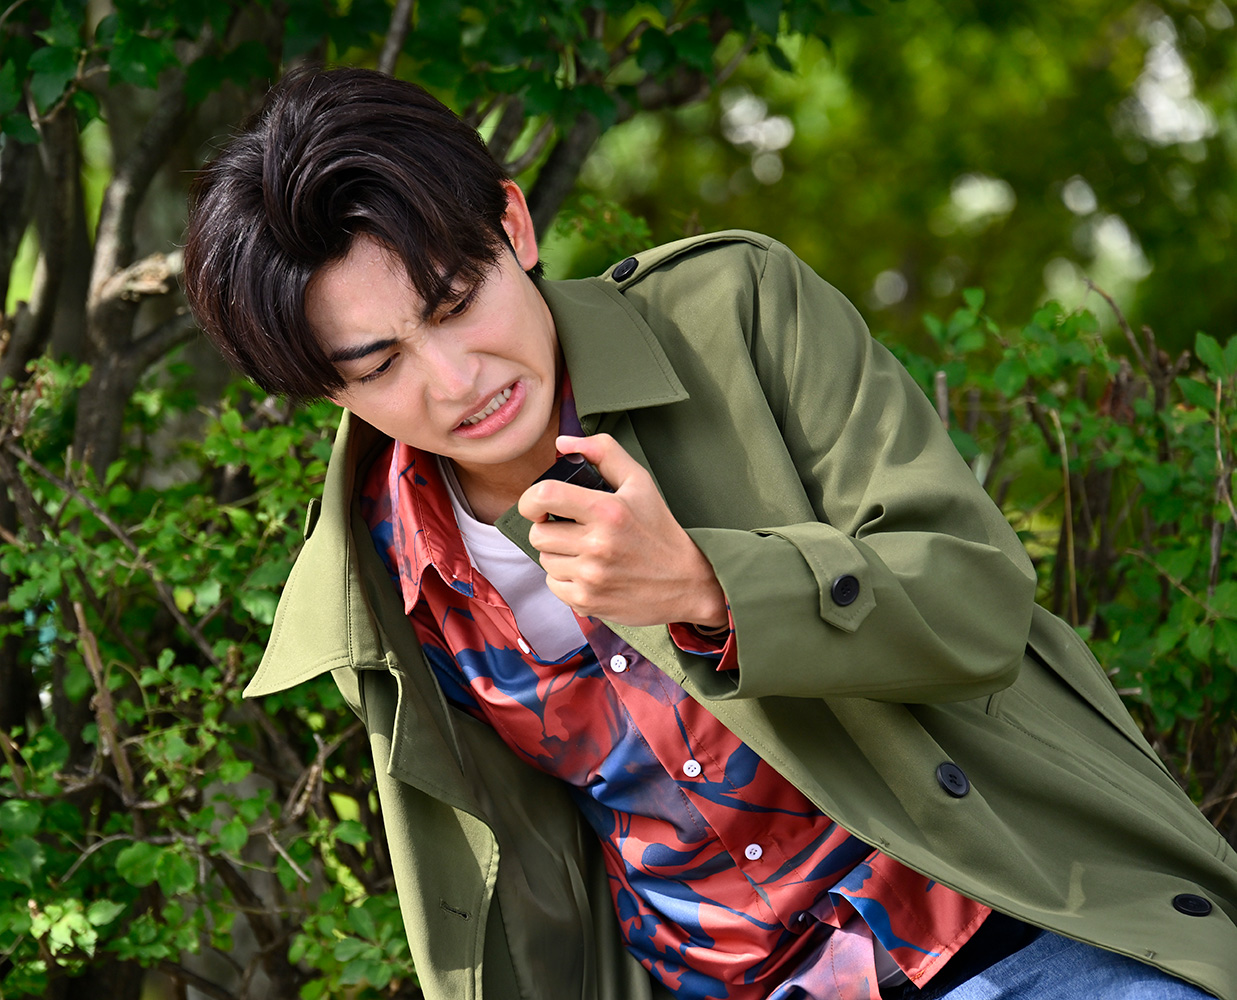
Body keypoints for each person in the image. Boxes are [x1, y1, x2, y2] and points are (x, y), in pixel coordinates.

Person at [182, 67, 1237, 1000]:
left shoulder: (734, 312)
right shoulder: (379, 573)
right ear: (327, 389)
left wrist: (709, 587)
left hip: (1004, 927)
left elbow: (977, 599)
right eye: (379, 366)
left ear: (514, 225)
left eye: (456, 303)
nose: (456, 381)